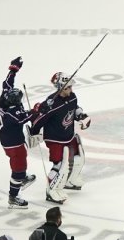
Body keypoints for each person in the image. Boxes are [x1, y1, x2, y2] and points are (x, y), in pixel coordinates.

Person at [28, 73, 89, 204]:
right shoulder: (51, 103)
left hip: (68, 135)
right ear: (60, 87)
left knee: (79, 156)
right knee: (60, 164)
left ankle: (70, 180)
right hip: (55, 139)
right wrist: (34, 132)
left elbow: (75, 109)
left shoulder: (72, 97)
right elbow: (39, 119)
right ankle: (52, 190)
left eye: (71, 87)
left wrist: (82, 116)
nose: (71, 90)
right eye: (68, 88)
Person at [0, 56, 37, 209]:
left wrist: (13, 69)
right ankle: (13, 196)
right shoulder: (11, 114)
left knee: (23, 156)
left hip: (12, 138)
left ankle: (22, 176)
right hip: (12, 143)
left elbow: (6, 83)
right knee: (18, 167)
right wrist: (37, 110)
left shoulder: (5, 98)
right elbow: (25, 117)